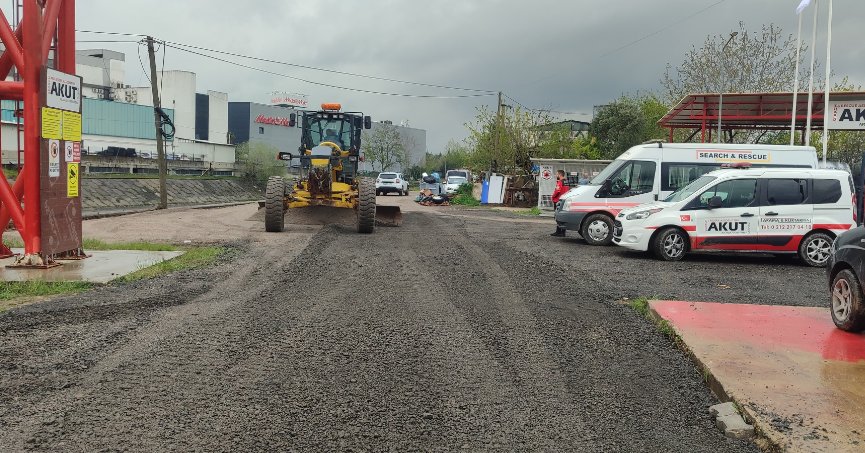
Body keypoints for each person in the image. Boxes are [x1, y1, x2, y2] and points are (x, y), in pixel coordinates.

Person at [551, 170, 568, 237]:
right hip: (564, 201)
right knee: (563, 216)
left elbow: (557, 191)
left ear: (560, 175)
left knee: (557, 217)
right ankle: (563, 232)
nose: (556, 175)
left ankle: (558, 232)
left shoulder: (560, 182)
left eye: (557, 174)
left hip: (558, 201)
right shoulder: (566, 182)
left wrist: (553, 196)